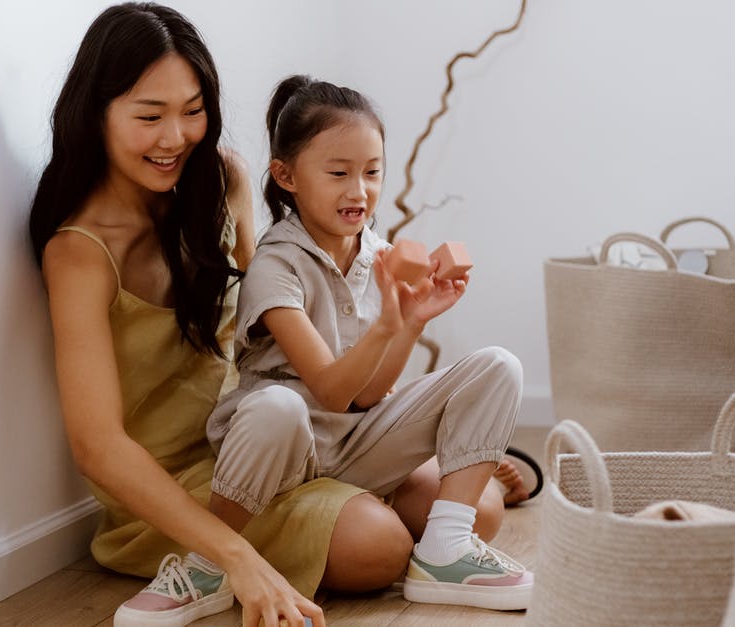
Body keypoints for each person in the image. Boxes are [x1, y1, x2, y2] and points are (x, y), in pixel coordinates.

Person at [28, 5, 443, 627]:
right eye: (150, 116)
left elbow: (278, 334)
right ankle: (214, 558)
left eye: (192, 111)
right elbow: (98, 446)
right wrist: (235, 557)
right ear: (97, 113)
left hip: (270, 431)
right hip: (176, 490)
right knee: (381, 546)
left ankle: (361, 498)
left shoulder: (221, 182)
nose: (175, 137)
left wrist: (378, 411)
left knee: (468, 500)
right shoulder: (80, 253)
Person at [205, 75, 535, 612]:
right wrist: (387, 325)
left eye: (372, 172)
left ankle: (445, 550)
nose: (359, 191)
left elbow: (365, 397)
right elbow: (331, 392)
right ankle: (209, 563)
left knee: (498, 366)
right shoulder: (277, 263)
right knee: (281, 405)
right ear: (286, 176)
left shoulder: (376, 255)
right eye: (338, 173)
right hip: (286, 449)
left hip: (353, 442)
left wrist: (411, 321)